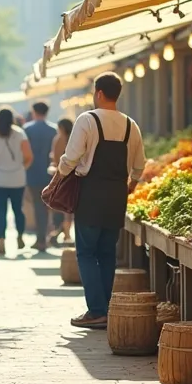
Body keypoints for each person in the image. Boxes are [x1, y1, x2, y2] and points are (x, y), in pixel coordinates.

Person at [55, 72, 144, 330]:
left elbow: (71, 158)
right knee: (107, 253)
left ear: (99, 93)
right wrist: (130, 186)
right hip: (117, 194)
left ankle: (96, 310)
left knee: (86, 252)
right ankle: (105, 309)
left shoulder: (87, 119)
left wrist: (59, 178)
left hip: (91, 193)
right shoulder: (131, 125)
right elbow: (139, 166)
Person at [0, 107, 32, 255]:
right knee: (18, 209)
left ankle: (1, 243)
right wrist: (21, 168)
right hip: (17, 178)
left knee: (1, 212)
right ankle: (20, 236)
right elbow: (29, 155)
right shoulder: (19, 133)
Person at [23, 102, 56, 252]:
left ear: (33, 111)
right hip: (49, 173)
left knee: (37, 204)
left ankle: (41, 238)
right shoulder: (54, 130)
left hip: (32, 172)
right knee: (47, 205)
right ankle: (45, 236)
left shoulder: (27, 129)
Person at [50, 117, 75, 245]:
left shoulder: (59, 139)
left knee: (62, 207)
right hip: (74, 176)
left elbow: (55, 159)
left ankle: (63, 232)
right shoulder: (76, 139)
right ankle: (66, 233)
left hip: (62, 176)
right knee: (70, 209)